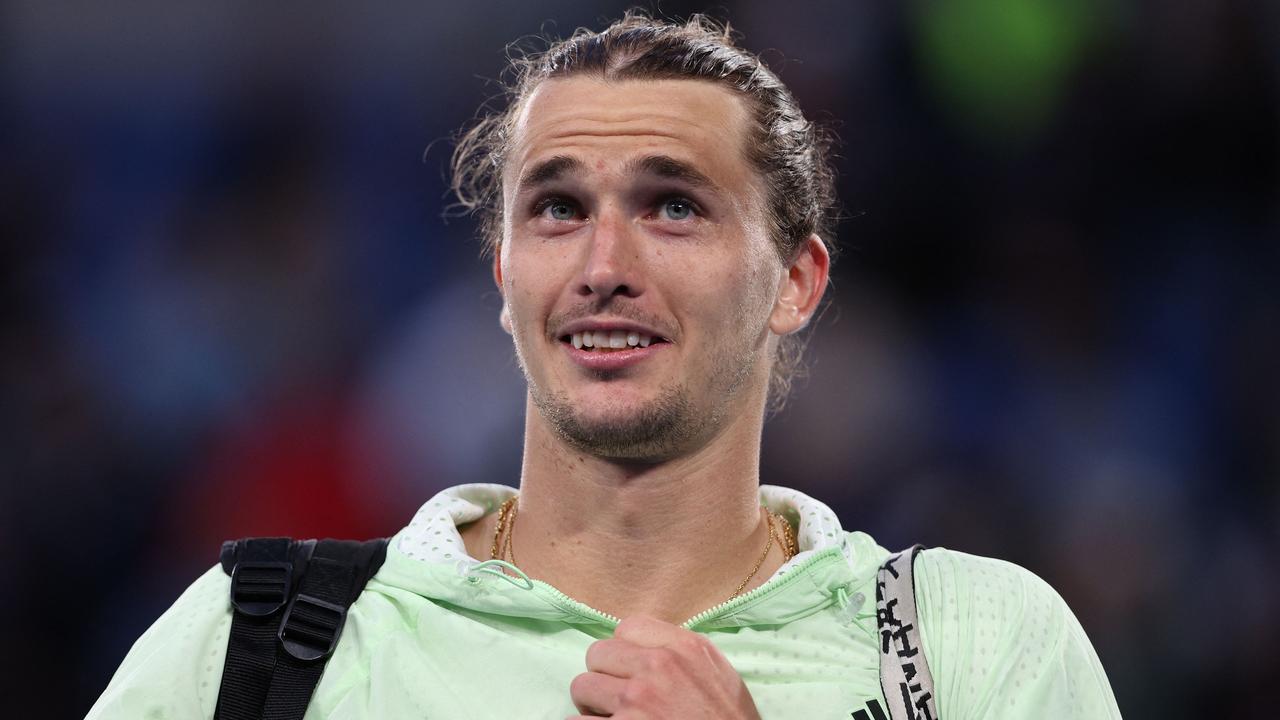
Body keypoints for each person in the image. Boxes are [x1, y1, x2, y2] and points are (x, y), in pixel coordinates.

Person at [88, 12, 1122, 719]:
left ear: (796, 283)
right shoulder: (255, 644)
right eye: (557, 208)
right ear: (504, 278)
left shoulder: (972, 647)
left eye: (672, 205)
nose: (603, 267)